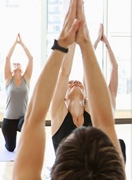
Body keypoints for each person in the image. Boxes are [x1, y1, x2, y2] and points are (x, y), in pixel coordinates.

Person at [12, 0, 131, 180]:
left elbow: (32, 117)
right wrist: (86, 44)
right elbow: (106, 121)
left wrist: (65, 43)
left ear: (53, 171)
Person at [51, 23, 126, 162]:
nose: (75, 82)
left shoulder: (91, 112)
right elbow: (64, 73)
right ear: (64, 98)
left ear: (86, 95)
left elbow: (91, 74)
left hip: (90, 176)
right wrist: (73, 37)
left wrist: (95, 43)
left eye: (78, 82)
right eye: (71, 83)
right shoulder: (57, 113)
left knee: (119, 144)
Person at [2, 33, 33, 152]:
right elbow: (7, 58)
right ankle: (8, 142)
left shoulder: (27, 79)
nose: (16, 64)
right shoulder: (8, 80)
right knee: (11, 148)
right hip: (8, 120)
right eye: (14, 64)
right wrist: (15, 43)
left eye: (18, 63)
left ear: (22, 68)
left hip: (22, 118)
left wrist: (22, 44)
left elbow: (30, 59)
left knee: (27, 121)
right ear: (11, 70)